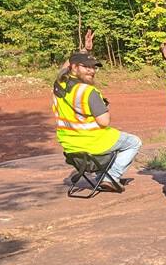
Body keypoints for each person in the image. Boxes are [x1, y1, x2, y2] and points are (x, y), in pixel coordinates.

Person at [53, 50, 141, 193]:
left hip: (70, 146)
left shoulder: (59, 85)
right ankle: (110, 176)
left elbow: (65, 67)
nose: (91, 70)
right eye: (86, 67)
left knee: (120, 140)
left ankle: (105, 175)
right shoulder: (88, 92)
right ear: (74, 67)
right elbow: (104, 122)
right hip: (93, 143)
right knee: (134, 142)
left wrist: (84, 51)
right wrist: (104, 107)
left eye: (94, 67)